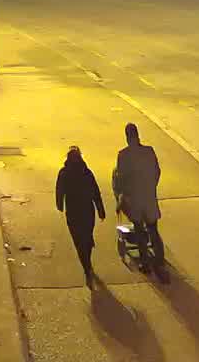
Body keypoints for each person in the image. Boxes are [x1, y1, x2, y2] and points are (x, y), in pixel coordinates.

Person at [113, 123, 163, 270]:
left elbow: (121, 178)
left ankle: (145, 262)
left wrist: (124, 196)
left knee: (140, 231)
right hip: (148, 197)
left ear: (127, 137)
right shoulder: (149, 151)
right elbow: (157, 171)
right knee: (153, 230)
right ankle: (159, 259)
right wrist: (151, 187)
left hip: (134, 199)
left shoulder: (123, 155)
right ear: (138, 135)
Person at [55, 146, 106, 287]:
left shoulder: (64, 173)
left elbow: (59, 191)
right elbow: (95, 191)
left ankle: (86, 266)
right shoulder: (87, 172)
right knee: (86, 235)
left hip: (73, 212)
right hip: (87, 211)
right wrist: (100, 210)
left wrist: (60, 205)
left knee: (78, 240)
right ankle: (88, 255)